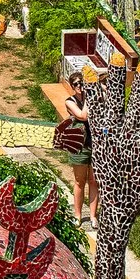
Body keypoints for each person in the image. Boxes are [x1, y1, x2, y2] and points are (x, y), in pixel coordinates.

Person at [53, 67, 97, 225]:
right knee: (80, 181)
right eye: (76, 84)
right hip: (80, 146)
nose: (80, 86)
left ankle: (93, 216)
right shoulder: (70, 102)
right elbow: (83, 116)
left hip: (95, 145)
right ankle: (78, 215)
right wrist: (89, 97)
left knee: (94, 181)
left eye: (82, 83)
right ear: (72, 86)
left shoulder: (93, 97)